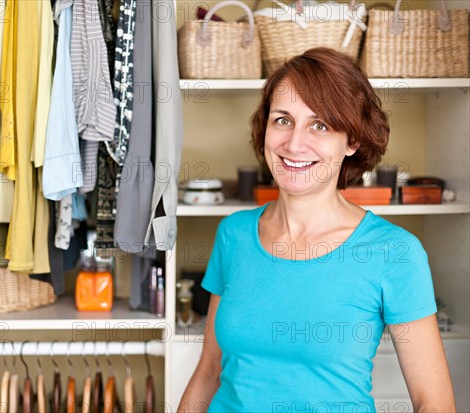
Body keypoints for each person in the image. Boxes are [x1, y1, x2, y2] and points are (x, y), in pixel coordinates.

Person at [178, 48, 456, 413]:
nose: (294, 144)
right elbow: (209, 371)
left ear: (352, 140)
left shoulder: (394, 252)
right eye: (282, 120)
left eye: (320, 125)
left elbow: (432, 402)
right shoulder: (233, 234)